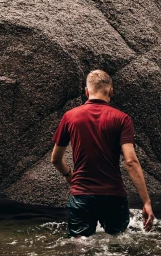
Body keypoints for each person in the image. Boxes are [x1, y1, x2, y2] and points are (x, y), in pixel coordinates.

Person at [51, 69, 155, 237]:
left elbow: (55, 159)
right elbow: (130, 161)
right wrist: (146, 202)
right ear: (111, 91)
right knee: (117, 245)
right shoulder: (122, 119)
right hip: (113, 196)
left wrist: (70, 176)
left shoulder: (70, 117)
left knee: (79, 247)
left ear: (86, 92)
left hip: (82, 195)